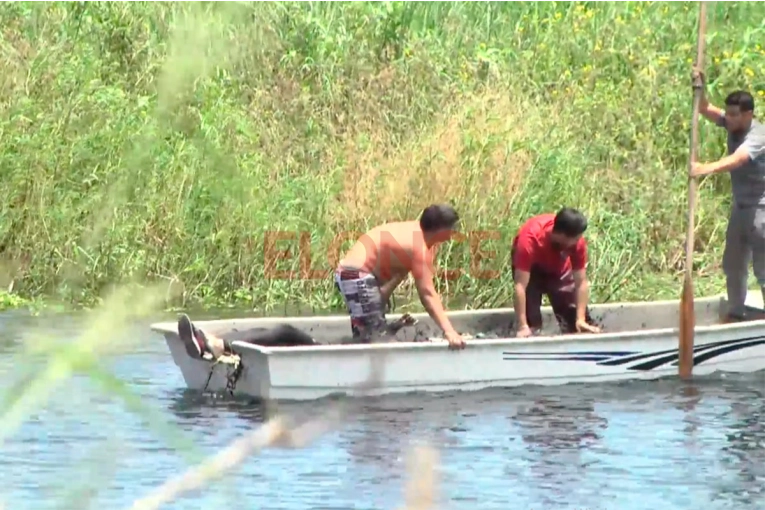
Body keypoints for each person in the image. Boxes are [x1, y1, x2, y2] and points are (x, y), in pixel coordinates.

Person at [689, 69, 765, 322]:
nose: (728, 119)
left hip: (761, 210)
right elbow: (705, 109)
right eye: (728, 114)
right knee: (733, 265)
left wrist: (704, 169)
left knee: (762, 268)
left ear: (748, 114)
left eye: (734, 115)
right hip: (740, 208)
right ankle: (735, 312)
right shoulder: (732, 123)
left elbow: (738, 160)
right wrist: (701, 85)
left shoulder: (758, 135)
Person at [334, 203, 466, 349]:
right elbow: (427, 294)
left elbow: (400, 271)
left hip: (355, 276)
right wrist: (449, 332)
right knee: (376, 340)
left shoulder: (419, 234)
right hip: (356, 276)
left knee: (371, 331)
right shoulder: (419, 248)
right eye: (452, 228)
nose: (455, 232)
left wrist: (380, 301)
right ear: (440, 230)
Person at [511, 207, 601, 338]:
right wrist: (522, 325)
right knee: (532, 326)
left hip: (558, 268)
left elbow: (581, 282)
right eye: (575, 239)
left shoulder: (576, 243)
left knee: (575, 321)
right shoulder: (529, 241)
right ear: (562, 235)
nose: (578, 241)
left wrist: (580, 319)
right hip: (531, 270)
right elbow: (520, 286)